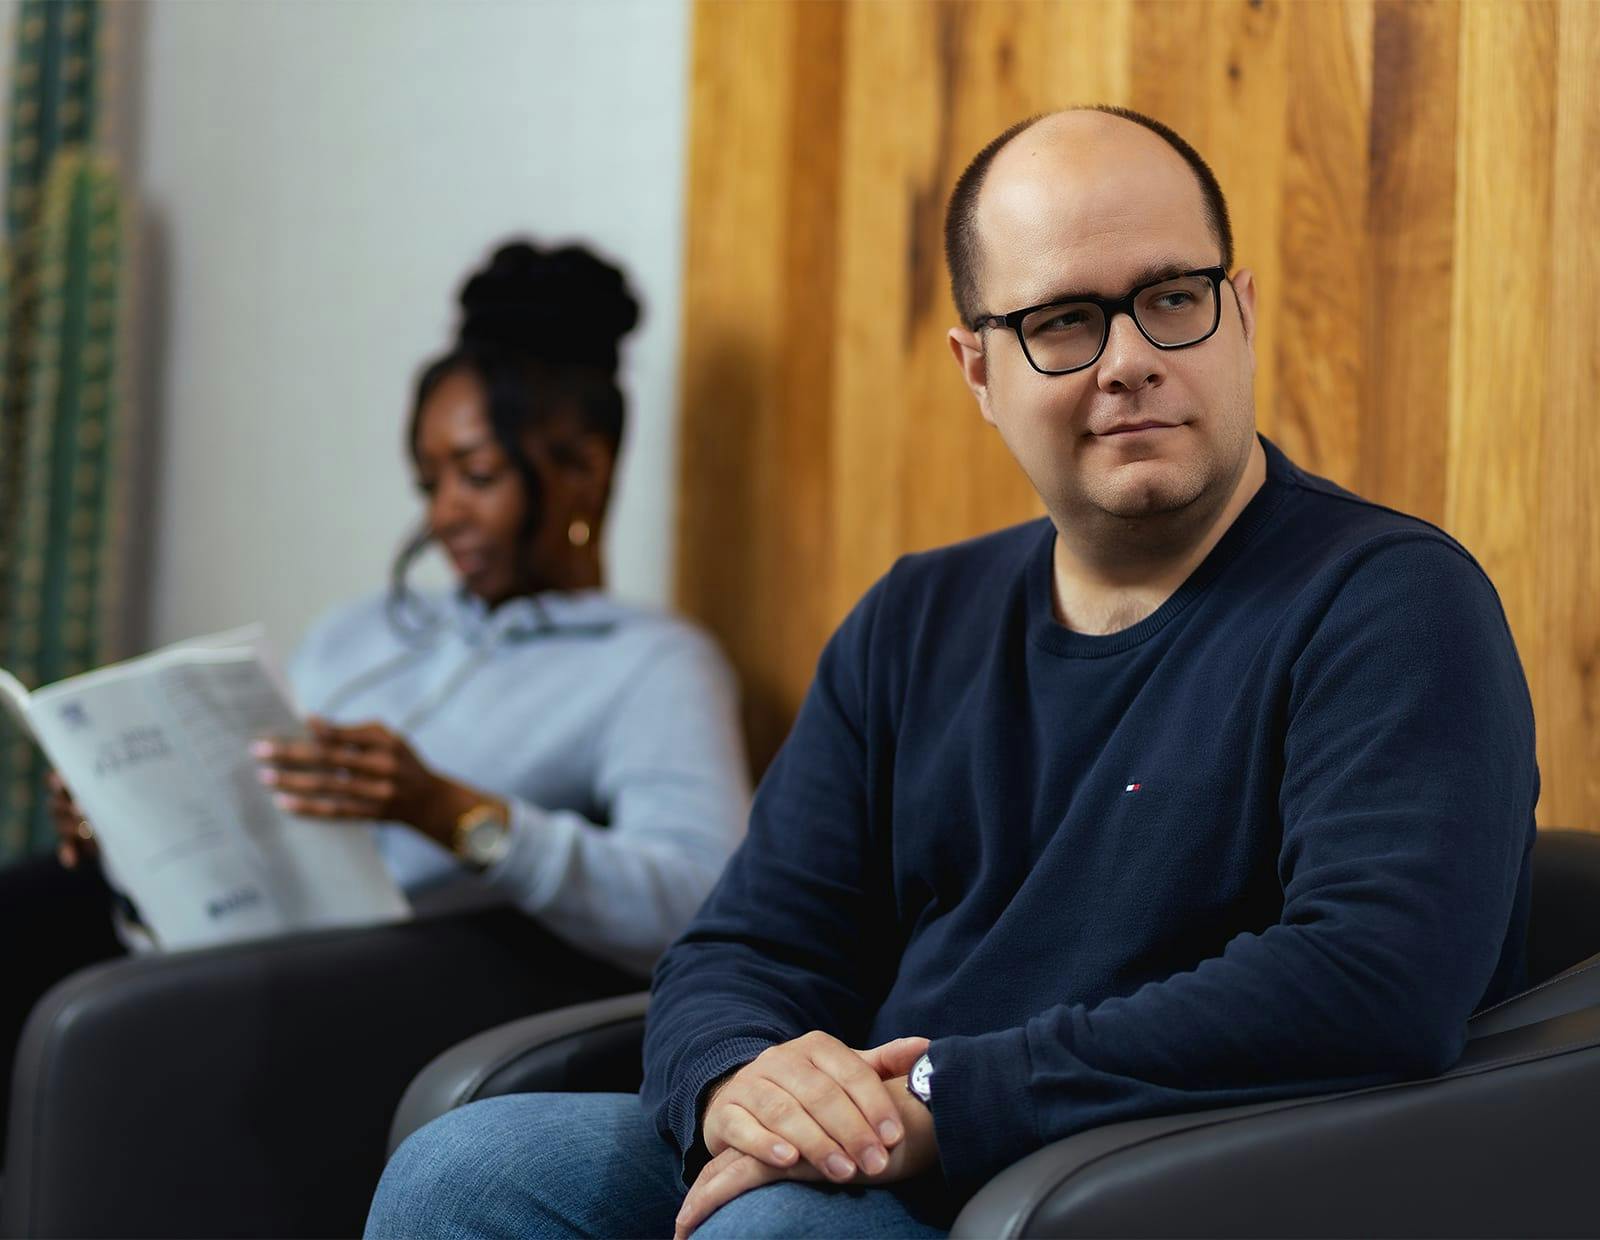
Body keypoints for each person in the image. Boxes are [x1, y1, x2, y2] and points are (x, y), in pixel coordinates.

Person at [365, 108, 1538, 1240]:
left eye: (1172, 300)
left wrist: (949, 1096)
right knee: (466, 1172)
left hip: (1137, 1172)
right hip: (887, 1143)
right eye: (1064, 323)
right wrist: (737, 1077)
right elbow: (747, 944)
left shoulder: (1388, 598)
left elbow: (1374, 976)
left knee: (776, 1226)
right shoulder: (914, 617)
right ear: (978, 369)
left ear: (1238, 314)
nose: (1128, 361)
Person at [1, 239, 750, 1164]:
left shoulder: (649, 665)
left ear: (584, 471)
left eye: (475, 476)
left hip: (365, 1000)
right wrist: (129, 815)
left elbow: (699, 902)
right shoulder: (362, 632)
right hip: (229, 933)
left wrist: (449, 812)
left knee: (61, 996)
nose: (442, 516)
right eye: (429, 483)